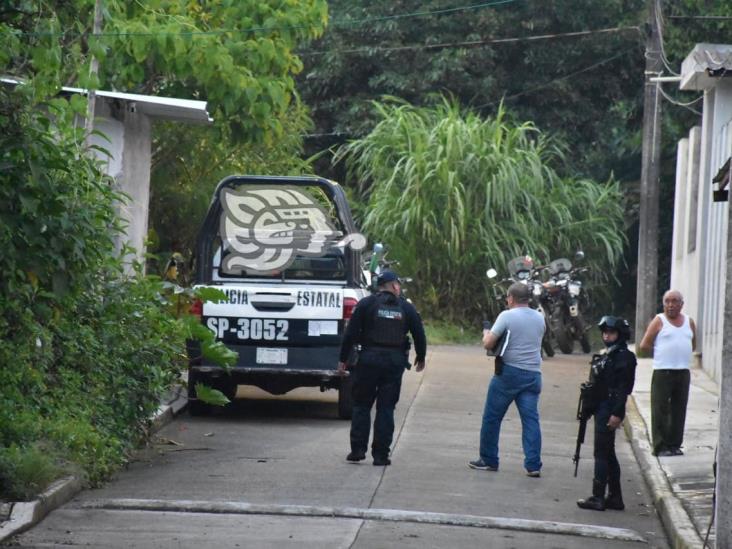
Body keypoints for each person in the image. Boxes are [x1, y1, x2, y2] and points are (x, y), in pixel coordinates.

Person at [337, 270, 426, 466]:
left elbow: (350, 333)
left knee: (361, 405)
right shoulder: (406, 307)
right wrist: (421, 357)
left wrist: (343, 359)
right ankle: (381, 455)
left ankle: (358, 450)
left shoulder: (366, 304)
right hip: (394, 363)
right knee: (386, 408)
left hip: (368, 360)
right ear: (394, 286)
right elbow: (419, 333)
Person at [469, 282, 545, 476]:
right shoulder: (539, 317)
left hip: (509, 374)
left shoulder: (507, 316)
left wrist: (486, 331)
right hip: (534, 374)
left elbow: (488, 343)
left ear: (511, 298)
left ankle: (488, 459)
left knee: (492, 418)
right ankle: (533, 464)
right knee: (530, 420)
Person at [577, 316, 637, 511]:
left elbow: (623, 389)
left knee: (601, 453)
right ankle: (615, 497)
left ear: (620, 335)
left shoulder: (624, 358)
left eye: (611, 332)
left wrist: (617, 413)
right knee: (608, 453)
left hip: (610, 408)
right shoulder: (608, 355)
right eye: (605, 332)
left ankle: (597, 497)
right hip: (601, 406)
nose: (607, 335)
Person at [639, 290, 696, 457]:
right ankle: (660, 446)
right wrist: (662, 353)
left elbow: (692, 344)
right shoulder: (659, 320)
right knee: (660, 409)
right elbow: (644, 345)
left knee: (679, 409)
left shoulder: (689, 322)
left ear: (681, 304)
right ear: (663, 304)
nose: (671, 305)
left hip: (683, 372)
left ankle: (674, 445)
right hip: (663, 372)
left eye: (675, 301)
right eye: (667, 302)